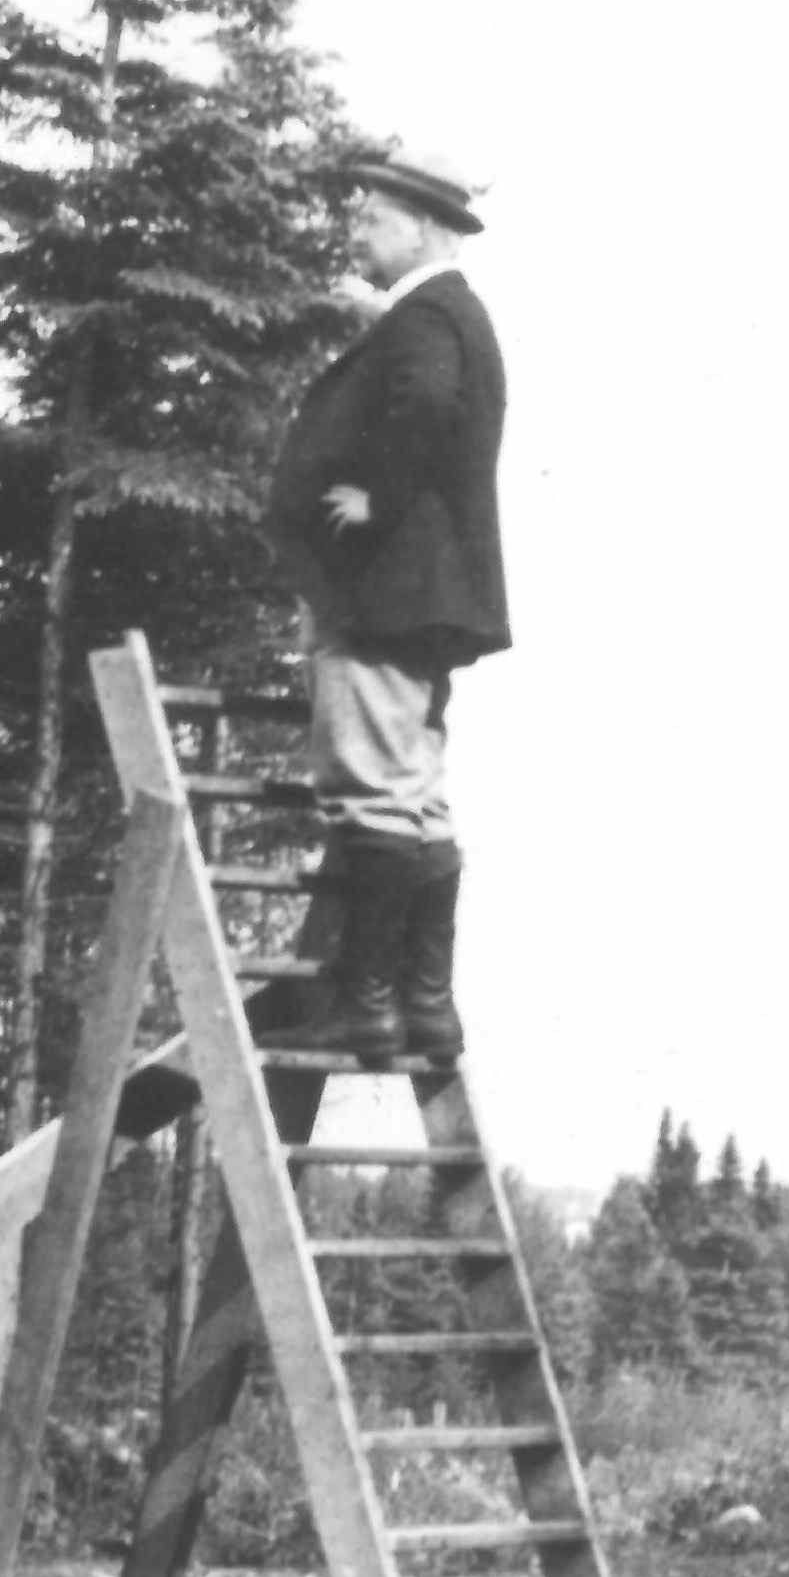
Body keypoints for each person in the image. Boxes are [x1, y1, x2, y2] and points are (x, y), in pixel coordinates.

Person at [261, 143, 509, 1065]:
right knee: (414, 796)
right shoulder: (450, 314)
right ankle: (424, 1007)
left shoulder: (426, 317)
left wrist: (374, 501)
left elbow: (424, 405)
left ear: (420, 226)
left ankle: (365, 1006)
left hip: (386, 595)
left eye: (370, 217)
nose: (356, 231)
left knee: (371, 788)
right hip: (424, 600)